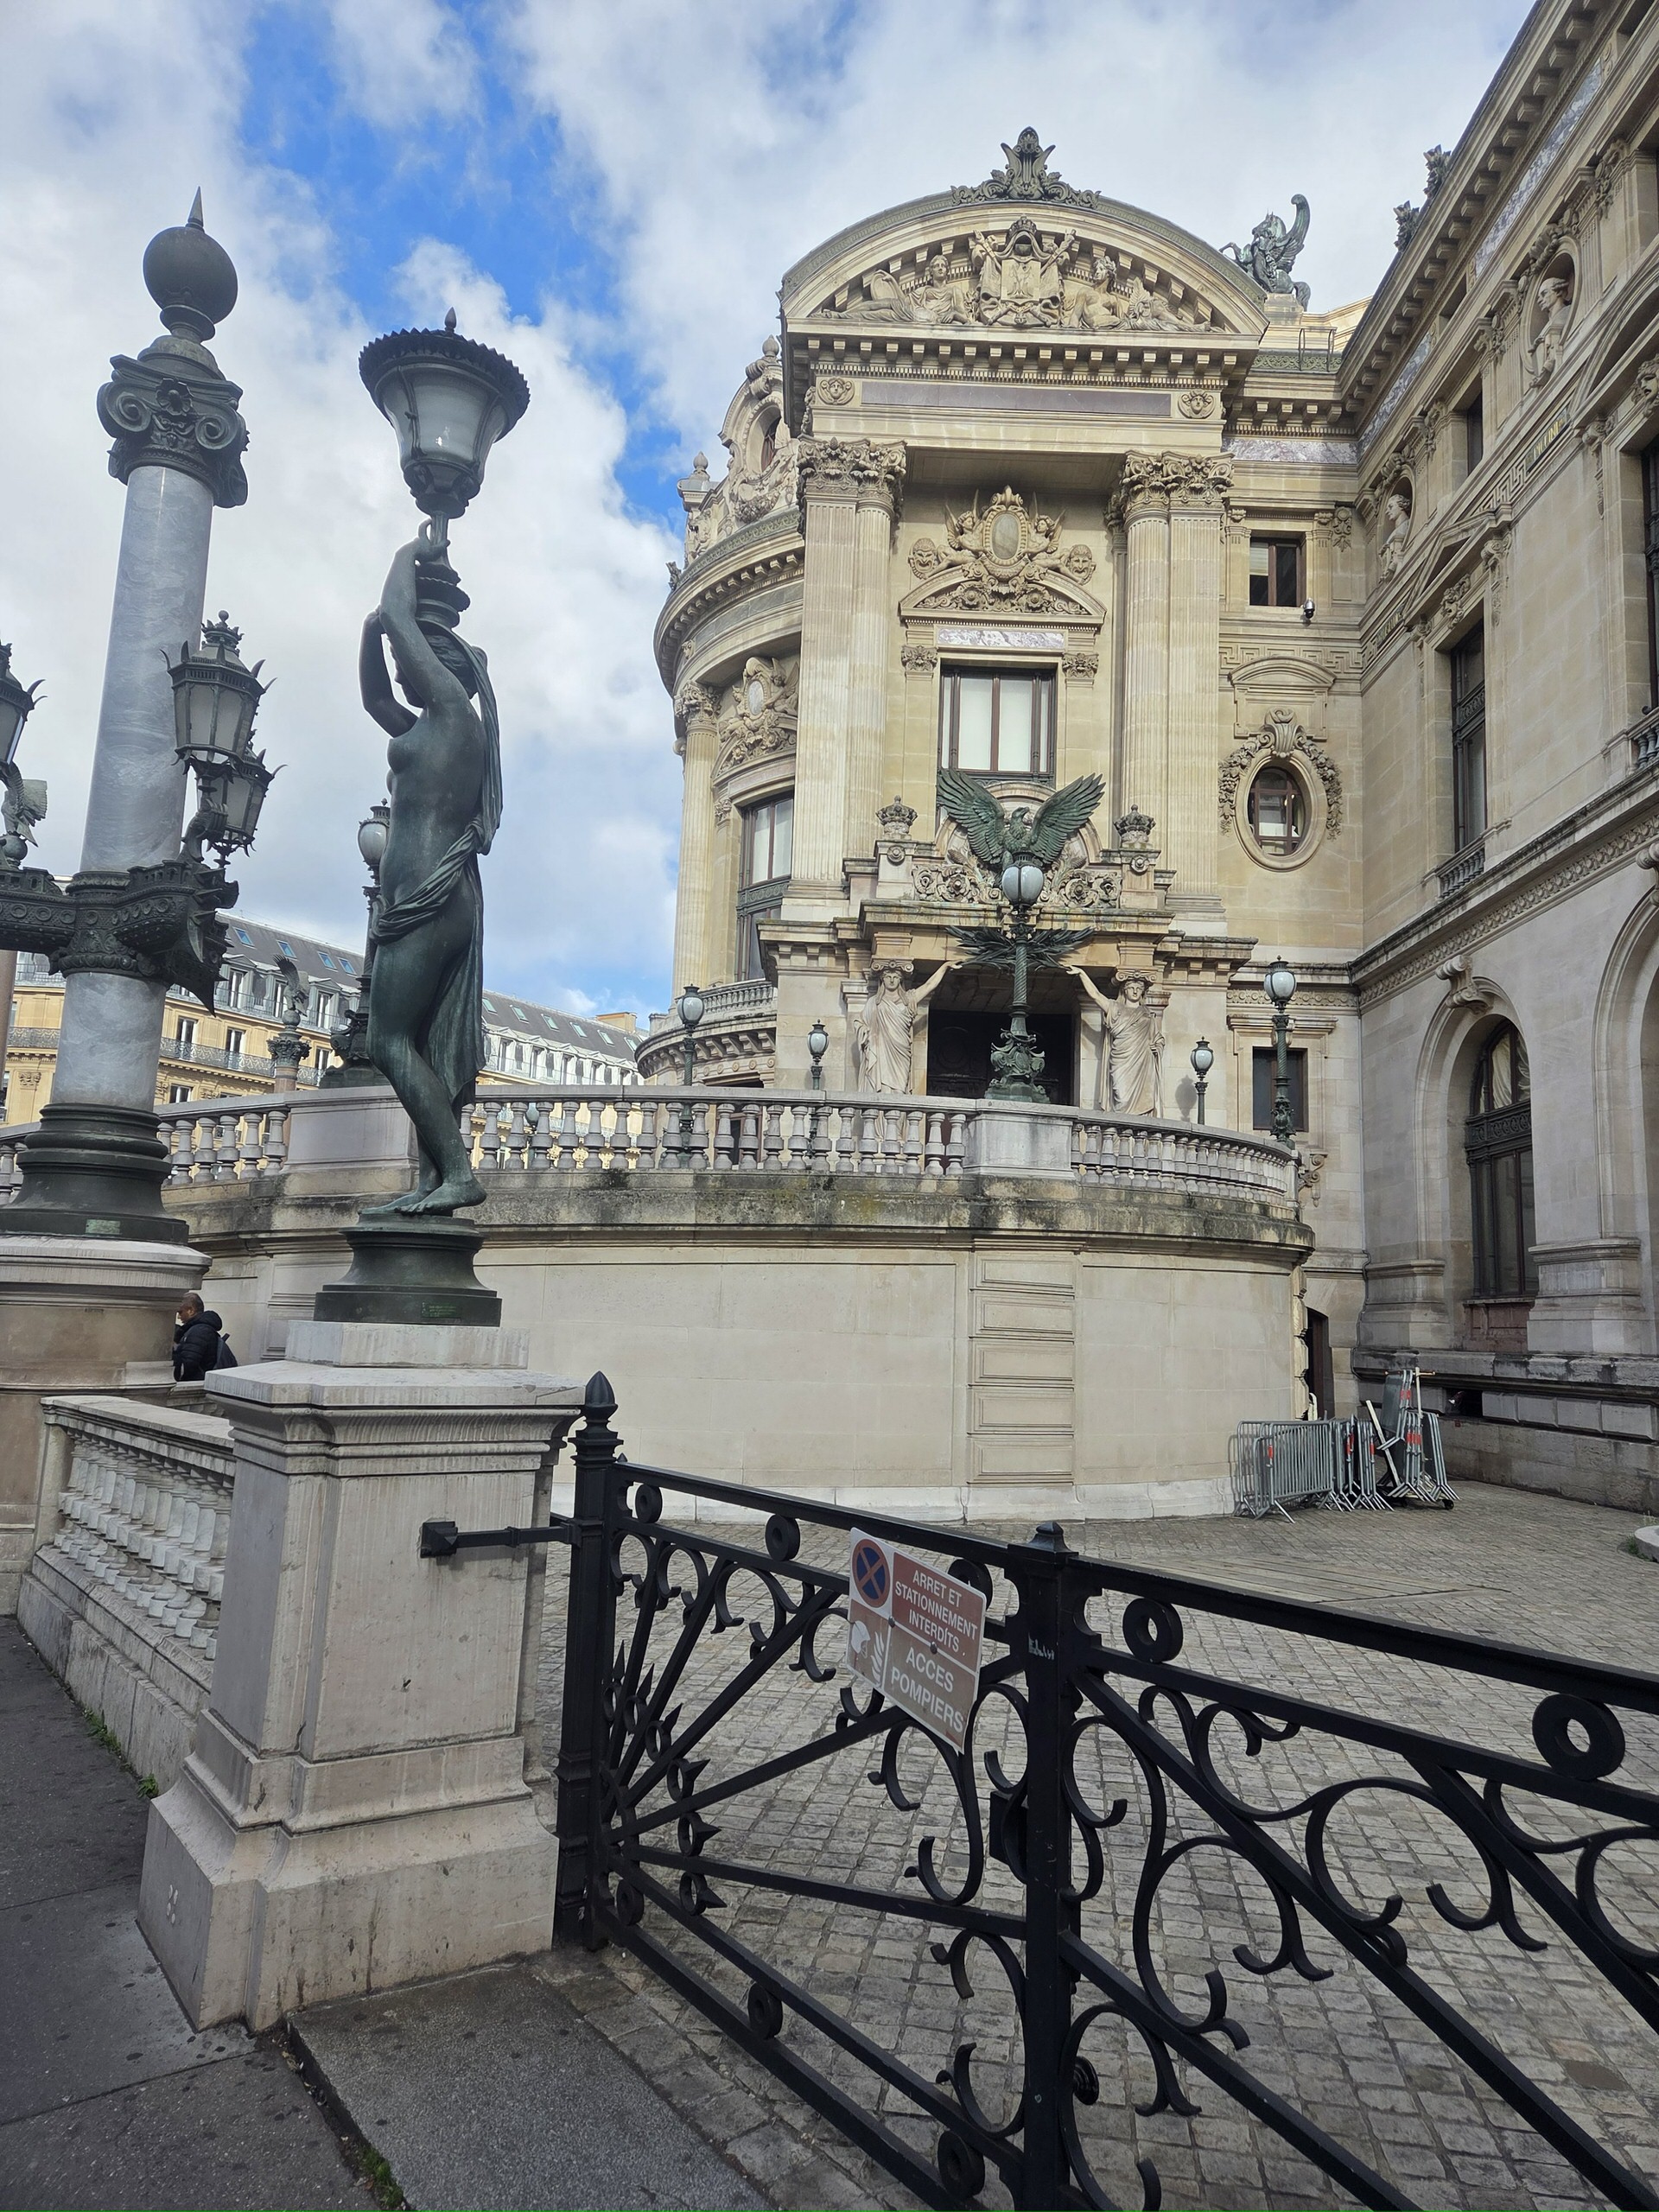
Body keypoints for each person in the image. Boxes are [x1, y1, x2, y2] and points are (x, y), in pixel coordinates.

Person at [357, 524, 501, 1215]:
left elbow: (394, 613)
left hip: (425, 894)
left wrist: (406, 556)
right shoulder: (433, 726)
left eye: (414, 658)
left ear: (439, 668)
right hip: (439, 895)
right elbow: (377, 703)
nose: (405, 671)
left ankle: (457, 1174)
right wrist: (370, 639)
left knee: (386, 1040)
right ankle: (430, 1181)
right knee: (420, 1045)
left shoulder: (450, 711)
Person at [173, 1294, 229, 1382]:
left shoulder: (199, 1332)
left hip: (195, 1385)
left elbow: (186, 1367)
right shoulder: (198, 1329)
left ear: (191, 1310)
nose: (179, 1317)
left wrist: (174, 1349)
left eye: (180, 1312)